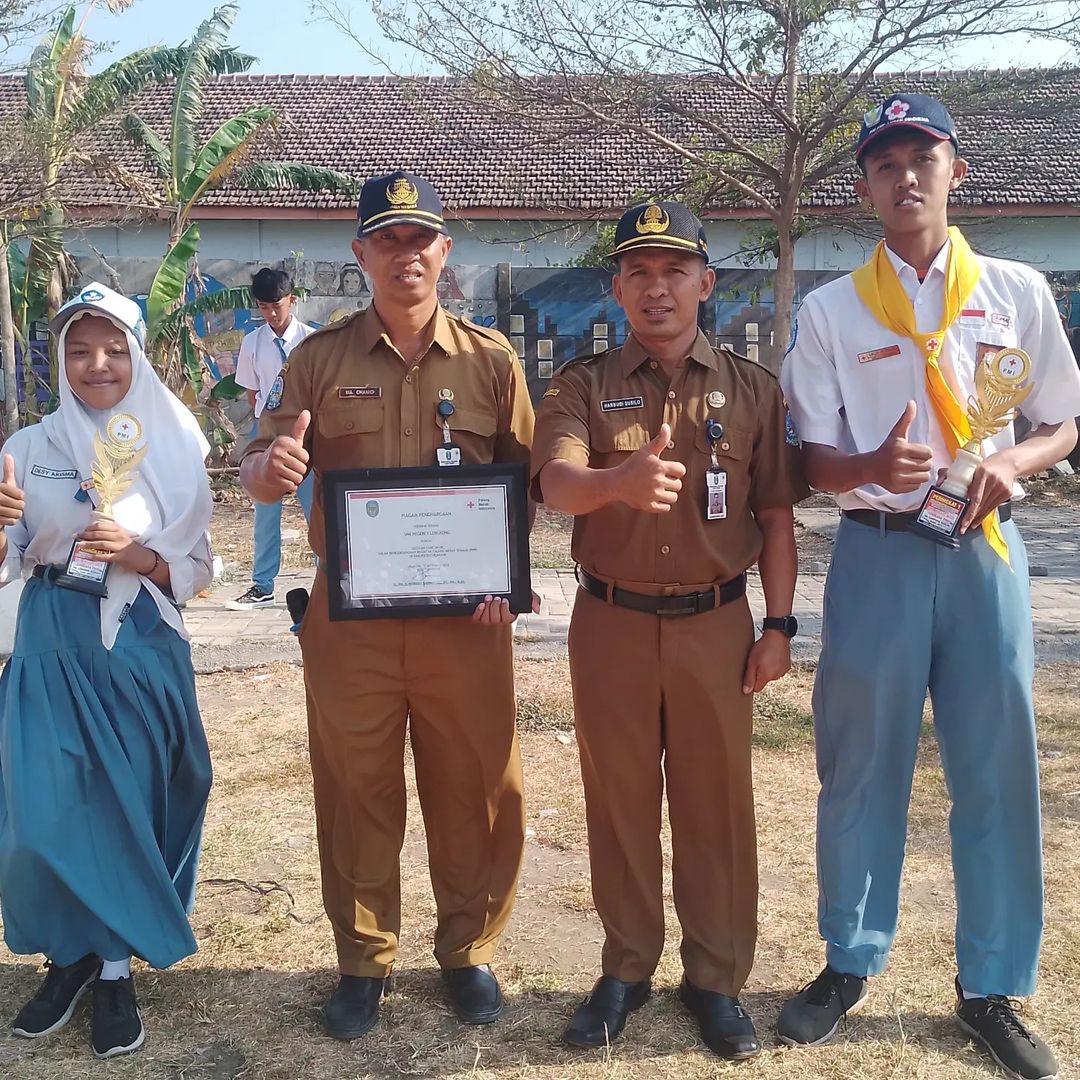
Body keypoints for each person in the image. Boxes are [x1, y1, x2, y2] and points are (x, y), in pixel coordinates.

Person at [779, 93, 1080, 1080]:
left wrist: (1018, 462)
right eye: (884, 162)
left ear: (957, 170)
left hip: (984, 549)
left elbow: (1062, 419)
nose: (905, 175)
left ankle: (993, 986)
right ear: (864, 186)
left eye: (924, 156)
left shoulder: (1017, 290)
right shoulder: (829, 310)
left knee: (995, 767)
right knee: (860, 763)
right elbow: (811, 460)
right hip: (875, 549)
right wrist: (870, 457)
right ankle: (848, 960)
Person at [239, 171, 535, 1039]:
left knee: (475, 785)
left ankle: (465, 949)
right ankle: (364, 959)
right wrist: (271, 471)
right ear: (360, 252)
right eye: (387, 240)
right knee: (356, 787)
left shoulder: (491, 359)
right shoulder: (318, 360)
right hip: (350, 622)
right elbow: (264, 460)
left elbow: (523, 484)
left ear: (445, 250)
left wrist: (505, 583)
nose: (405, 255)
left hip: (465, 624)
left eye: (421, 239)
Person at [532, 202, 808, 1059]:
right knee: (618, 802)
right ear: (617, 288)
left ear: (705, 284)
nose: (657, 288)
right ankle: (625, 968)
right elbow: (556, 483)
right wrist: (621, 481)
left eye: (674, 271)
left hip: (717, 625)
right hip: (610, 622)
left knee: (714, 804)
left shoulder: (753, 390)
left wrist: (781, 626)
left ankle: (716, 978)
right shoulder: (581, 383)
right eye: (639, 273)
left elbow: (774, 520)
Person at [0, 284, 214, 1059]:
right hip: (53, 637)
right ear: (60, 358)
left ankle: (116, 967)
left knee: (131, 801)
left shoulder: (176, 440)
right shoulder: (29, 448)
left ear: (138, 353)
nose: (98, 365)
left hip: (139, 640)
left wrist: (138, 554)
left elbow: (197, 567)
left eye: (114, 348)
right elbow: (10, 559)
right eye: (80, 350)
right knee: (47, 807)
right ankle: (69, 953)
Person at [229, 268, 315, 609]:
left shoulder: (310, 340)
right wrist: (268, 424)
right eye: (263, 307)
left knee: (316, 511)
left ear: (291, 300)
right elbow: (253, 393)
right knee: (265, 509)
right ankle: (263, 585)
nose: (271, 313)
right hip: (267, 433)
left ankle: (327, 579)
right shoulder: (253, 343)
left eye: (276, 305)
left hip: (306, 435)